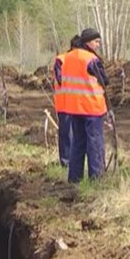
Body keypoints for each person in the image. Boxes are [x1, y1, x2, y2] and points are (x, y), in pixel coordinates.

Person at [57, 28, 110, 183]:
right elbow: (104, 80)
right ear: (88, 42)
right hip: (91, 107)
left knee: (77, 143)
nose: (98, 45)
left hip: (74, 108)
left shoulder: (68, 57)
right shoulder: (89, 59)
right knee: (95, 142)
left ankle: (74, 178)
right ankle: (97, 178)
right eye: (96, 41)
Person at [53, 35, 81, 167]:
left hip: (79, 104)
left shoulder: (81, 59)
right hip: (64, 104)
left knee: (77, 134)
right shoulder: (61, 60)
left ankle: (75, 161)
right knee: (66, 134)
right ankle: (66, 162)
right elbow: (61, 79)